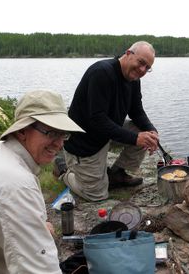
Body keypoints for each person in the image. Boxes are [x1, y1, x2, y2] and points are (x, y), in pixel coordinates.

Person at [0, 90, 84, 273]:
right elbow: (40, 270)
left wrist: (35, 224)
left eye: (63, 134)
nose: (60, 144)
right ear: (23, 130)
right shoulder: (15, 186)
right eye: (52, 133)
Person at [61, 41, 159, 201]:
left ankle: (117, 174)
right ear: (128, 53)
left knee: (145, 134)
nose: (142, 70)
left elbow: (136, 111)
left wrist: (151, 130)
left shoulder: (133, 79)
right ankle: (65, 172)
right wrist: (135, 138)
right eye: (141, 63)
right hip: (85, 142)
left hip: (106, 134)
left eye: (147, 68)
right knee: (97, 195)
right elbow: (97, 120)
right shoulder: (102, 73)